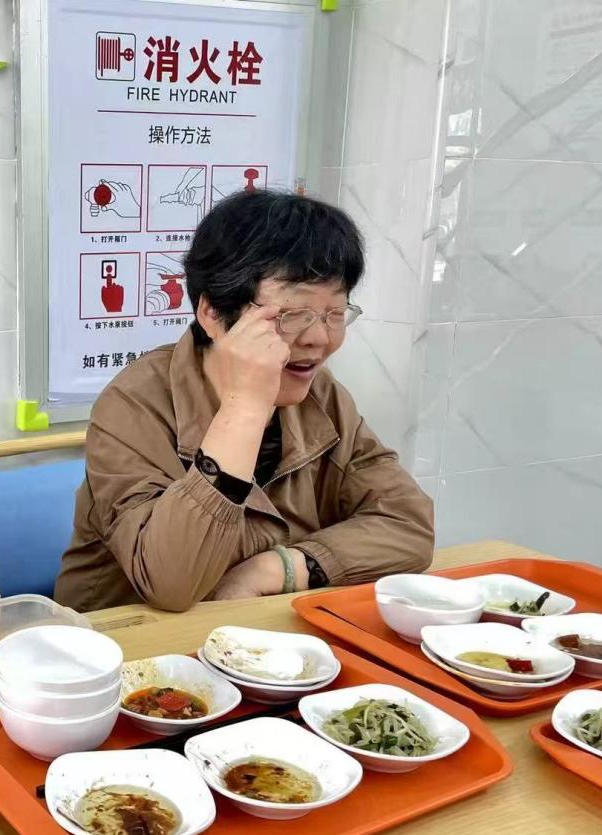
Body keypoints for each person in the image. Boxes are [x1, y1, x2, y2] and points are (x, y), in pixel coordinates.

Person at [55, 190, 434, 613]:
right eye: (292, 314)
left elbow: (409, 523)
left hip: (262, 633)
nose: (319, 338)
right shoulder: (133, 404)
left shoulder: (322, 397)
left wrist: (284, 568)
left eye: (335, 314)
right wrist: (246, 406)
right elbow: (171, 582)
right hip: (131, 641)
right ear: (213, 313)